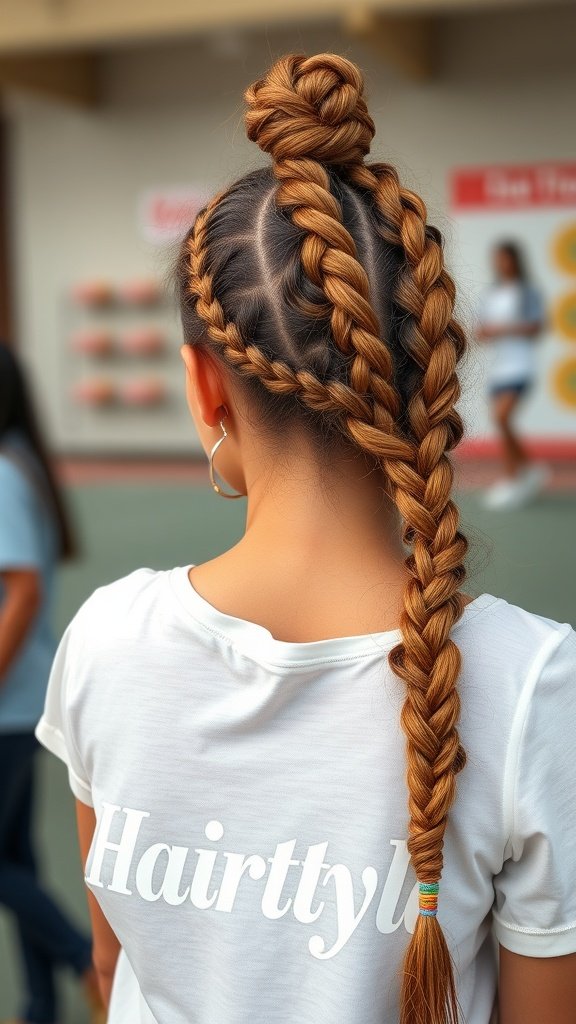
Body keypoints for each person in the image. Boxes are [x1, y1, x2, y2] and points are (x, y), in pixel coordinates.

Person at [36, 54, 575, 1024]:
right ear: (427, 371)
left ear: (206, 389)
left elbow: (114, 969)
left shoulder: (103, 641)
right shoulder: (534, 683)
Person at [0, 343, 103, 1024]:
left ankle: (80, 960)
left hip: (5, 705)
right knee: (17, 860)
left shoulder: (4, 473)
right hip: (19, 701)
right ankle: (42, 1006)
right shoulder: (21, 462)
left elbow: (24, 590)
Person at [477, 241, 547, 509]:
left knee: (501, 417)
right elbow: (480, 331)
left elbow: (535, 327)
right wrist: (488, 332)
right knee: (503, 423)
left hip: (521, 367)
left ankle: (511, 479)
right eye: (498, 259)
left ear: (515, 261)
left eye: (506, 259)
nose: (501, 264)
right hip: (499, 369)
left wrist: (503, 329)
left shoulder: (527, 292)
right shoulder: (491, 295)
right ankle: (528, 469)